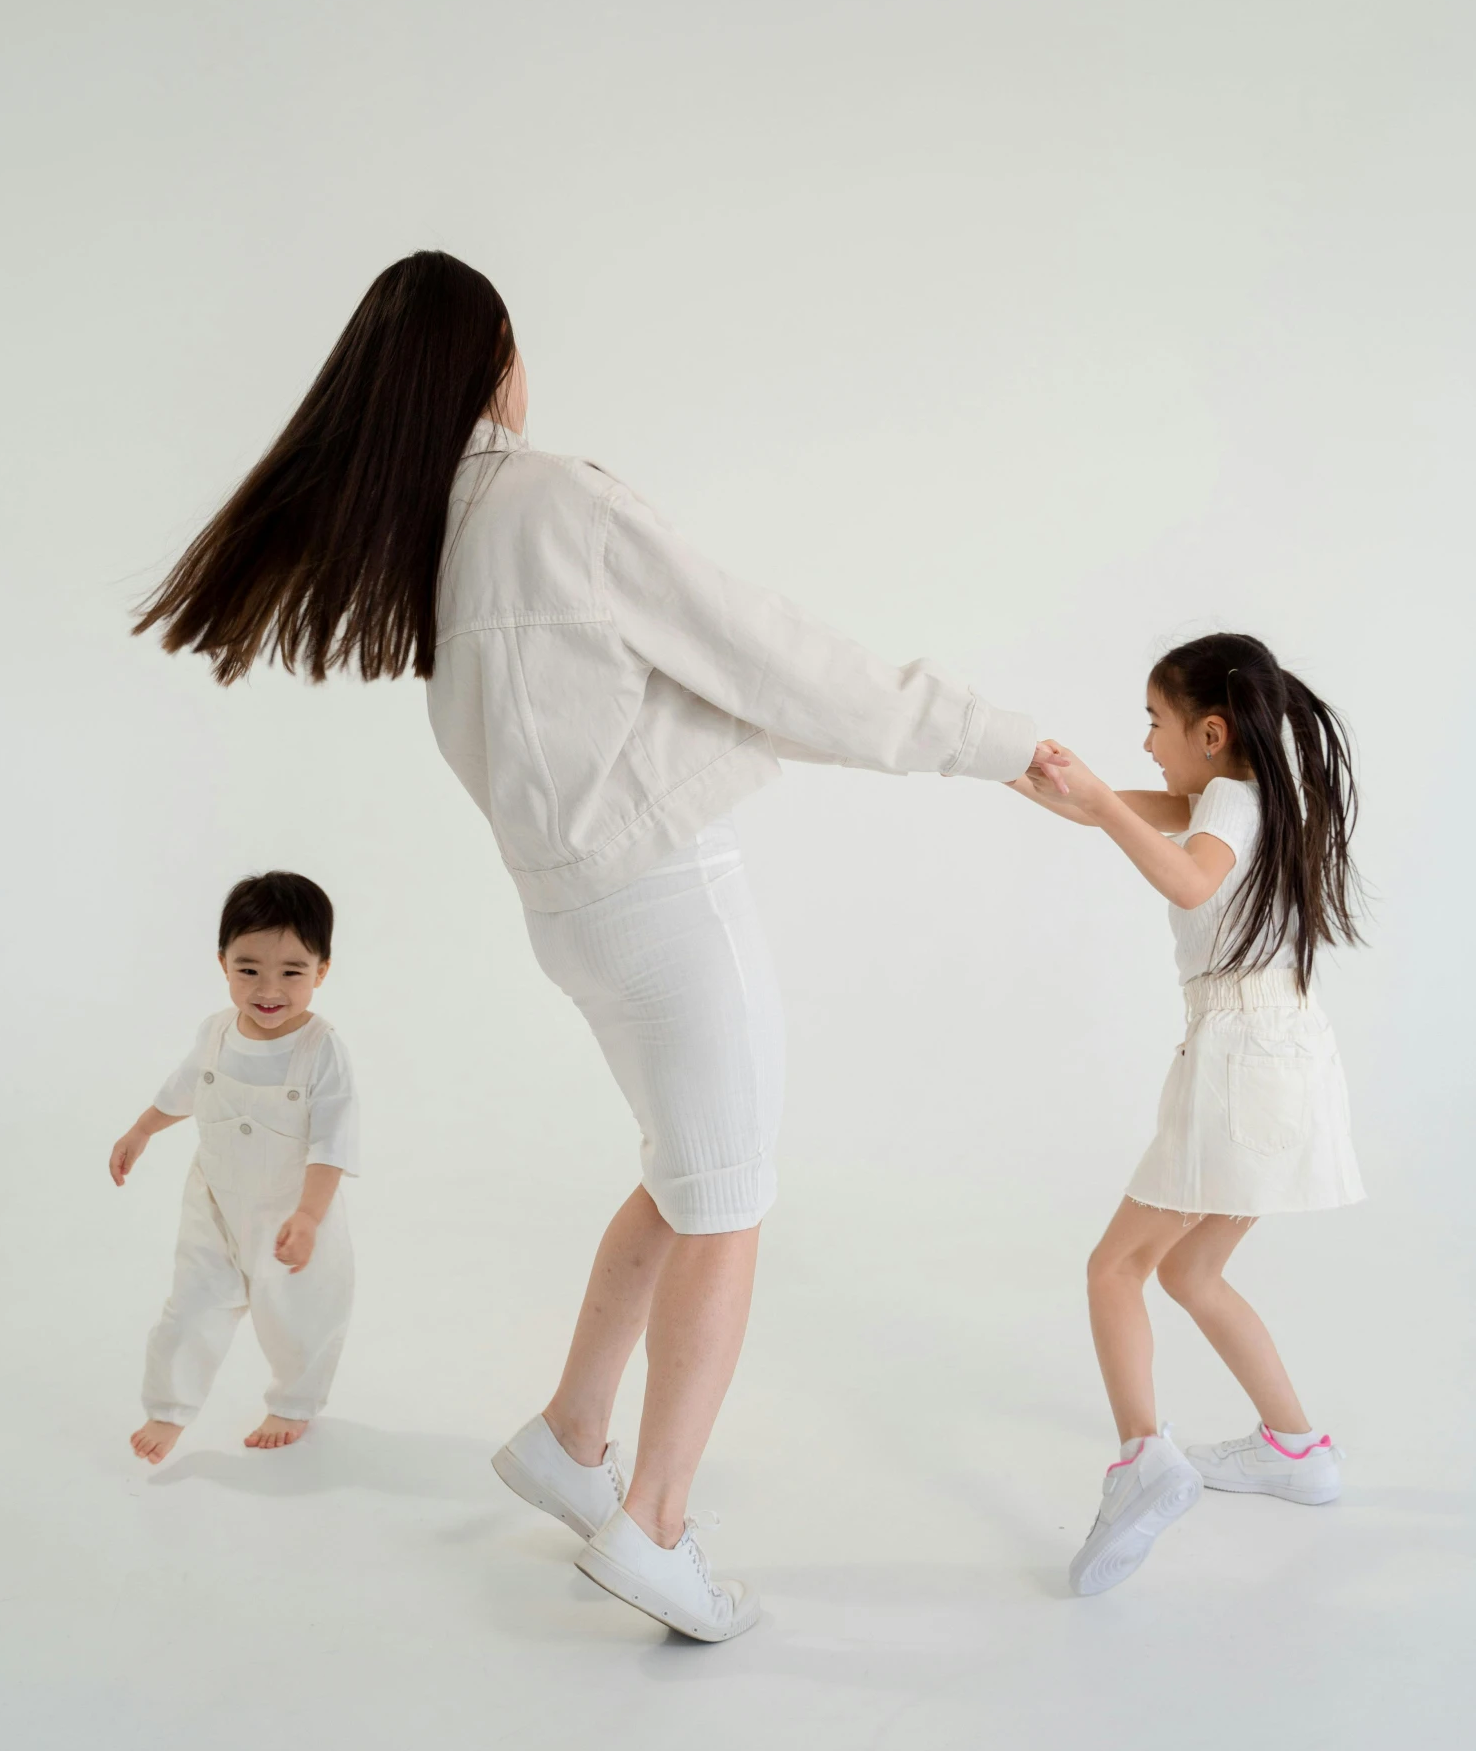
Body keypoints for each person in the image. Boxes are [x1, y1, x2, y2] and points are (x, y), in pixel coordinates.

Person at [134, 249, 1045, 1641]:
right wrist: (986, 739)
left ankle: (571, 1434)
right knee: (729, 1201)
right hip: (665, 901)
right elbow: (771, 655)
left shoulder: (435, 548)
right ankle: (656, 1525)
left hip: (573, 920)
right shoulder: (549, 500)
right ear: (494, 355)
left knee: (682, 1176)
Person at [1012, 634, 1364, 1596]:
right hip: (1286, 1057)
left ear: (1210, 731)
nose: (1146, 744)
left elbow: (1189, 877)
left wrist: (1094, 807)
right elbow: (1134, 813)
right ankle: (1297, 1451)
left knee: (1113, 1269)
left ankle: (1141, 1461)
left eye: (1155, 725)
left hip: (1241, 1058)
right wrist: (1046, 783)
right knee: (1192, 1270)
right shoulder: (1259, 799)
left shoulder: (1233, 805)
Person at [110, 871, 358, 1463]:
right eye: (248, 969)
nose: (267, 988)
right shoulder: (215, 1032)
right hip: (215, 1202)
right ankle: (169, 1408)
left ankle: (294, 1404)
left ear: (322, 971)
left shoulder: (321, 1051)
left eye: (292, 972)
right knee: (191, 1303)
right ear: (222, 963)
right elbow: (186, 1086)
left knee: (301, 1314)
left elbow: (332, 1145)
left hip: (293, 1211)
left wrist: (307, 1216)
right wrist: (142, 1128)